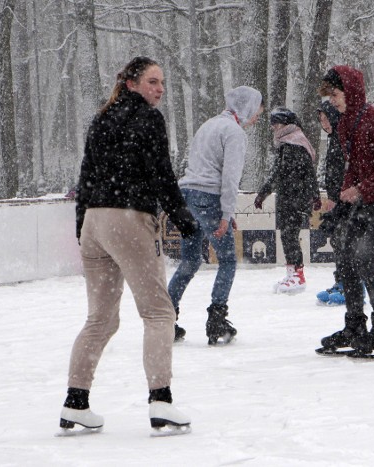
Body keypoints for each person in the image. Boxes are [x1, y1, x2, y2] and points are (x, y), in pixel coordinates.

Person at [62, 56, 197, 435]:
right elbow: (160, 173)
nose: (160, 89)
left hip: (94, 222)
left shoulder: (102, 119)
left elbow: (86, 174)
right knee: (158, 312)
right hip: (128, 219)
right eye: (153, 81)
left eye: (163, 83)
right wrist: (183, 218)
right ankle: (161, 401)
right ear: (132, 84)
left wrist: (81, 226)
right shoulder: (148, 119)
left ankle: (76, 403)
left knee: (100, 319)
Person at [315, 65, 374, 358]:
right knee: (344, 253)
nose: (332, 99)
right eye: (329, 94)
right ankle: (355, 325)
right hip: (368, 199)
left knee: (363, 257)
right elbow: (353, 169)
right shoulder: (345, 124)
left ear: (351, 90)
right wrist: (342, 202)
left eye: (336, 93)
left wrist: (361, 189)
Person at [167, 86, 264, 345]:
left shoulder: (208, 125)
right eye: (257, 109)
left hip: (186, 195)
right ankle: (217, 320)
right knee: (228, 260)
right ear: (246, 107)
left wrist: (224, 211)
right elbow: (230, 177)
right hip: (208, 196)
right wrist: (225, 212)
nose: (259, 115)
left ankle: (164, 319)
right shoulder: (235, 133)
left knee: (189, 262)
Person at [254, 107, 320, 294]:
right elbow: (307, 173)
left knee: (290, 235)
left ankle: (298, 276)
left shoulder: (293, 144)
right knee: (287, 235)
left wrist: (263, 193)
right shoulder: (288, 144)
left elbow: (284, 173)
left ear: (286, 124)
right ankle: (292, 273)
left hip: (295, 199)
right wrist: (314, 195)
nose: (273, 127)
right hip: (290, 197)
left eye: (276, 123)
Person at [314, 100, 351, 306]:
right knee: (337, 241)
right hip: (337, 197)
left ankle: (352, 284)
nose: (324, 123)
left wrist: (338, 196)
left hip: (347, 199)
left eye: (327, 118)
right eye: (321, 120)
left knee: (345, 242)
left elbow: (345, 170)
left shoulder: (343, 137)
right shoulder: (333, 138)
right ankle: (341, 281)